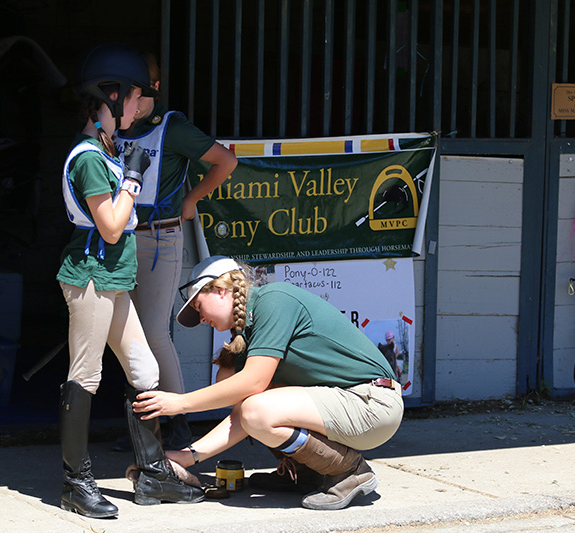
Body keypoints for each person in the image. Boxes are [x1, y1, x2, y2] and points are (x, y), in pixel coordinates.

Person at [56, 42, 203, 518]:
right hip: (92, 276)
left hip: (112, 277)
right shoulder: (88, 158)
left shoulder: (106, 149)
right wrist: (134, 181)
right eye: (137, 96)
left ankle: (154, 473)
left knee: (145, 372)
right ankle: (76, 482)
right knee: (86, 375)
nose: (142, 106)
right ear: (112, 97)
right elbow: (113, 225)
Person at [131, 256, 405, 511]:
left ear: (220, 290)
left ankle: (349, 470)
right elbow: (241, 416)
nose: (201, 318)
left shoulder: (274, 300)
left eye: (199, 307)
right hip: (347, 404)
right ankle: (309, 472)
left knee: (255, 404)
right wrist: (187, 457)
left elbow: (254, 385)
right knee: (234, 386)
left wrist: (180, 403)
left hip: (373, 403)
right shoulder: (249, 331)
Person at [114, 53, 237, 450]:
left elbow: (225, 161)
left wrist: (193, 199)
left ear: (152, 86)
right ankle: (143, 425)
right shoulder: (114, 126)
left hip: (157, 236)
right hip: (121, 237)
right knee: (125, 332)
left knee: (153, 331)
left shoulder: (172, 126)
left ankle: (177, 424)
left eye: (137, 85)